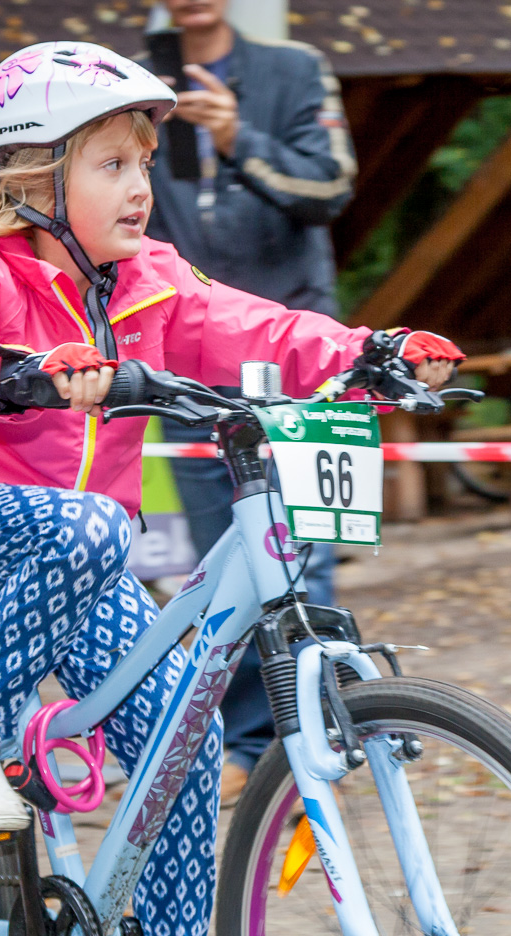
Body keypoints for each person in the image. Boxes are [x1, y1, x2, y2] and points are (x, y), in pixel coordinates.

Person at [0, 43, 461, 936]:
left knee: (184, 729)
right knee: (92, 526)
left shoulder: (148, 282)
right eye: (111, 165)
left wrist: (367, 351)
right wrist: (30, 372)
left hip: (74, 556)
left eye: (143, 162)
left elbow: (251, 323)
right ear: (33, 178)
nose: (141, 185)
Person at [140, 0, 358, 798]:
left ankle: (323, 732)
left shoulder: (295, 70)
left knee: (306, 550)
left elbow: (332, 185)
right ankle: (250, 746)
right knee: (219, 563)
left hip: (294, 340)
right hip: (183, 350)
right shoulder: (138, 82)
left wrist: (239, 138)